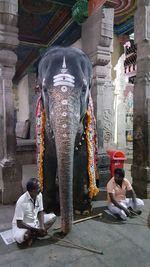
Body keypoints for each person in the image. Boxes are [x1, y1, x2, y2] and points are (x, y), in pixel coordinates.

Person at [12, 178, 56, 246]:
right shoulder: (21, 201)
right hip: (24, 226)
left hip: (35, 222)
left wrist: (42, 226)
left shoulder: (39, 195)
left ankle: (34, 235)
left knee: (53, 217)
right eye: (38, 189)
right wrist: (36, 230)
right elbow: (19, 224)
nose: (40, 190)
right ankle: (34, 235)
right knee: (25, 235)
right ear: (31, 191)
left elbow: (40, 211)